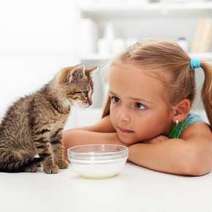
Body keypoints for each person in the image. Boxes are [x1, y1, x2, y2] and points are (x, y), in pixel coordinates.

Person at [62, 41, 212, 176]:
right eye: (116, 99)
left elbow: (193, 160)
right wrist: (137, 146)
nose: (122, 116)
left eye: (139, 105)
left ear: (178, 111)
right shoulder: (122, 124)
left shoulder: (193, 128)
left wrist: (131, 151)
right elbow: (63, 141)